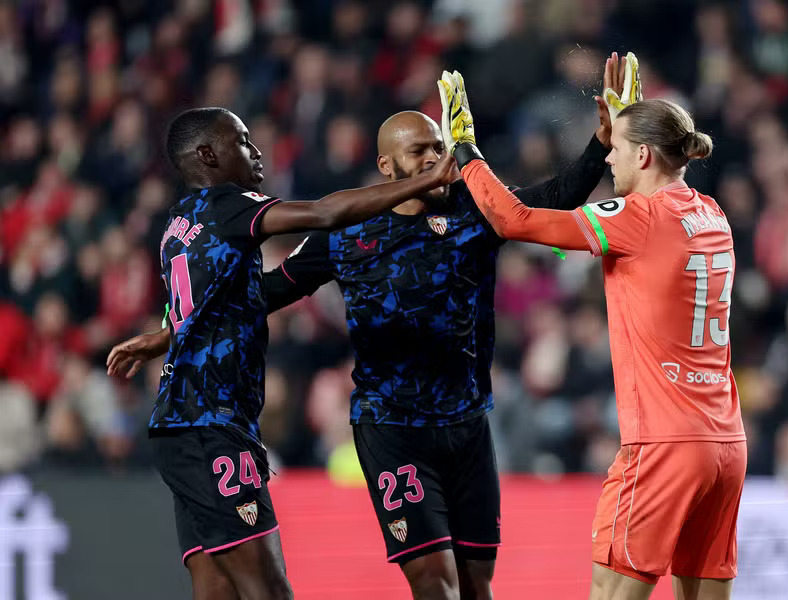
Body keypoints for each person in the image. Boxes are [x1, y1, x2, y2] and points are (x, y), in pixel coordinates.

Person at [109, 58, 623, 598]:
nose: (436, 157)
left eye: (439, 146)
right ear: (387, 165)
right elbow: (271, 289)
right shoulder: (350, 231)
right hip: (390, 425)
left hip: (468, 421)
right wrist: (174, 331)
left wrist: (600, 145)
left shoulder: (477, 208)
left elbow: (552, 199)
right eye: (420, 151)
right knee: (434, 583)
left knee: (476, 584)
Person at [109, 106, 454, 600]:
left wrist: (165, 334)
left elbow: (205, 297)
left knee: (217, 593)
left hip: (179, 426)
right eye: (243, 141)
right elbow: (324, 214)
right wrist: (421, 183)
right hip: (213, 427)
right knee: (268, 592)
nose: (257, 152)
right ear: (208, 154)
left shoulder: (179, 221)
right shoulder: (231, 206)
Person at [438, 61, 746, 600]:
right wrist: (627, 119)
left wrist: (465, 149)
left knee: (609, 592)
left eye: (618, 148)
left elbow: (514, 220)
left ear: (645, 156)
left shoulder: (636, 219)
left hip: (663, 444)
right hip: (724, 441)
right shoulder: (713, 214)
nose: (608, 157)